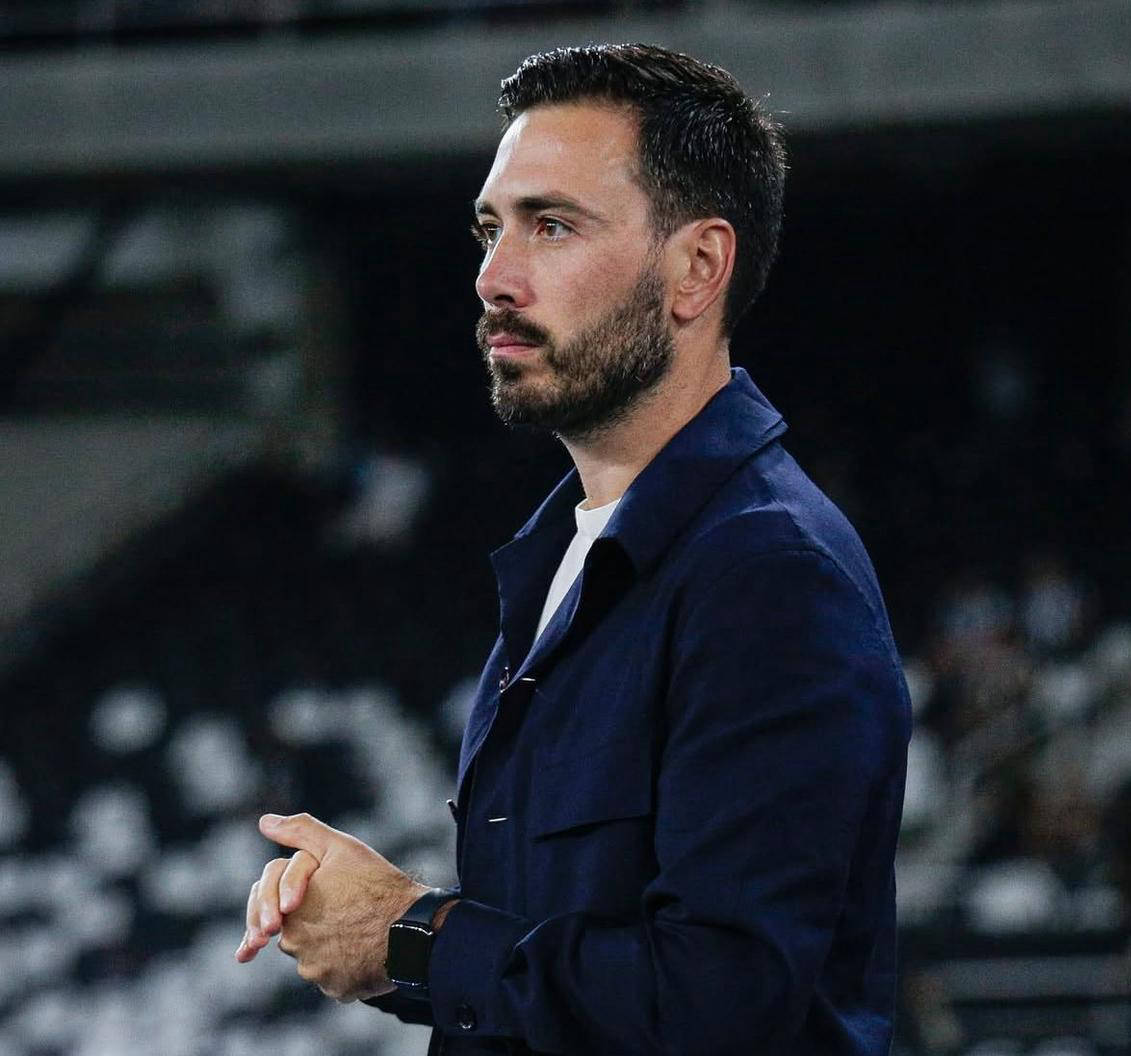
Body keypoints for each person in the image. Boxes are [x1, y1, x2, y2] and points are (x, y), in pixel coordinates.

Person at [236, 43, 911, 1055]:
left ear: (697, 267)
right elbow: (563, 970)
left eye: (551, 225)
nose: (494, 278)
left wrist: (411, 934)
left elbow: (719, 1007)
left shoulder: (769, 574)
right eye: (490, 229)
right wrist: (391, 939)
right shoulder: (571, 553)